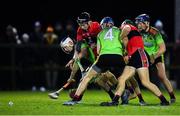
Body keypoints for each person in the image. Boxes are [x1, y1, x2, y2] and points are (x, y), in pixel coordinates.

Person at [100, 19, 169, 106]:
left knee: (145, 82)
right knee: (122, 79)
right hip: (133, 57)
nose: (120, 28)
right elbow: (126, 43)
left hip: (139, 55)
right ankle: (115, 101)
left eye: (121, 26)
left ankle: (164, 100)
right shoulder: (130, 33)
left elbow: (126, 29)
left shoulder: (128, 26)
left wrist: (119, 38)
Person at [63, 17, 126, 106]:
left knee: (87, 78)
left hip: (103, 57)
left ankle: (75, 99)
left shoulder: (100, 34)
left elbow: (99, 51)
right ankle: (117, 98)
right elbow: (124, 43)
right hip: (118, 57)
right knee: (121, 79)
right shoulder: (119, 31)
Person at [135, 14, 176, 103]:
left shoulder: (155, 32)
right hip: (144, 56)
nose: (138, 25)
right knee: (134, 74)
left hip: (156, 55)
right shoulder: (138, 32)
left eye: (140, 23)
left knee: (162, 76)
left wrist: (154, 56)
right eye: (138, 23)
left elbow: (163, 48)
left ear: (146, 23)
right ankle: (140, 98)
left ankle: (172, 96)